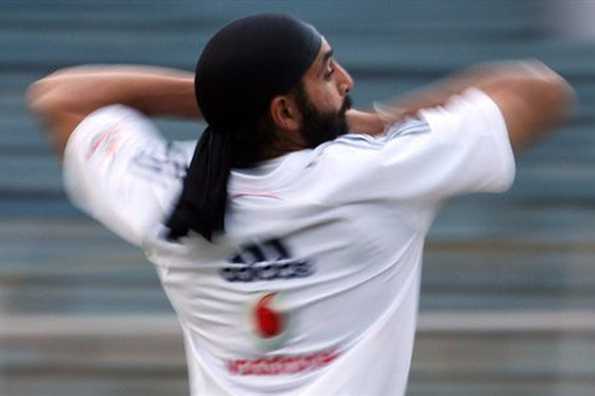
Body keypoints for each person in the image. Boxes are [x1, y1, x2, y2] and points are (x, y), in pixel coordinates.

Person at [28, 13, 573, 396]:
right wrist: (383, 122)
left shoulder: (169, 194)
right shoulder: (379, 172)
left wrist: (230, 102)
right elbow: (538, 90)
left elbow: (57, 97)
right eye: (327, 71)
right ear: (286, 113)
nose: (346, 81)